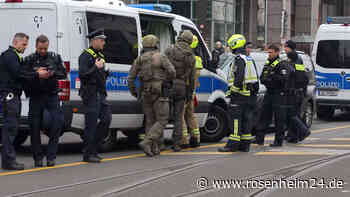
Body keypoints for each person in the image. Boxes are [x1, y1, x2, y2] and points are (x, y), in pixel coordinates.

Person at [0, 33, 50, 170]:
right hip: (9, 97)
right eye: (24, 44)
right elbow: (18, 74)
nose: (25, 47)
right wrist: (37, 74)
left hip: (12, 96)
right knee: (10, 129)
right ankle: (8, 161)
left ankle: (8, 160)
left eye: (26, 44)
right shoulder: (10, 56)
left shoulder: (14, 55)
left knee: (11, 129)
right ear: (16, 42)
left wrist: (35, 72)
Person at [23, 35, 66, 167]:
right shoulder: (29, 59)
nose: (43, 51)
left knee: (57, 124)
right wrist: (37, 73)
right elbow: (23, 75)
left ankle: (51, 156)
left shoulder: (54, 57)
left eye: (45, 48)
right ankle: (38, 158)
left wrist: (52, 73)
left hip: (52, 95)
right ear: (36, 46)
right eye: (40, 48)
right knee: (34, 127)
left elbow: (63, 73)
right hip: (36, 96)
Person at [128, 34, 175, 157]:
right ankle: (147, 142)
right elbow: (172, 72)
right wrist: (166, 81)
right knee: (162, 120)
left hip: (145, 92)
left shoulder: (140, 59)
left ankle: (153, 148)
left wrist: (134, 92)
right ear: (155, 44)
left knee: (150, 121)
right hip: (160, 92)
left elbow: (131, 78)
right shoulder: (161, 56)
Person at [218, 34, 259, 152]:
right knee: (247, 120)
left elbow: (239, 78)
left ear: (235, 45)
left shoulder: (239, 60)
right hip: (249, 96)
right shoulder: (249, 59)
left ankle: (232, 145)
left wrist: (233, 92)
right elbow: (255, 79)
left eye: (230, 46)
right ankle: (245, 145)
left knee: (235, 120)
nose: (230, 48)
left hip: (239, 96)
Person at [79, 29, 112, 163]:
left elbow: (99, 75)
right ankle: (88, 154)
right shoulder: (86, 56)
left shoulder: (101, 55)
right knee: (91, 125)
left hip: (100, 94)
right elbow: (83, 74)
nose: (104, 42)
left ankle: (94, 149)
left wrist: (105, 74)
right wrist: (95, 68)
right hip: (90, 93)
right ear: (94, 41)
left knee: (106, 119)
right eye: (102, 40)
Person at [254, 44, 292, 147]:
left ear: (277, 52)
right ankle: (259, 139)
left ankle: (278, 141)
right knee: (264, 116)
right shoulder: (267, 63)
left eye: (271, 52)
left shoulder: (282, 64)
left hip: (279, 94)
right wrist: (270, 78)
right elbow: (262, 78)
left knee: (279, 119)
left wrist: (271, 77)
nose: (269, 54)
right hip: (269, 93)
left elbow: (283, 79)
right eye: (268, 52)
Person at [165, 30, 196, 152]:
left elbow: (162, 67)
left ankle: (158, 143)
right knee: (178, 117)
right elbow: (192, 78)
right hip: (182, 87)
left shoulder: (170, 49)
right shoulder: (191, 56)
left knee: (162, 115)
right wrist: (189, 94)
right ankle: (176, 144)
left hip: (169, 85)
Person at [283, 40, 311, 143]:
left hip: (294, 92)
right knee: (294, 114)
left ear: (290, 48)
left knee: (292, 114)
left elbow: (297, 77)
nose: (284, 49)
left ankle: (303, 131)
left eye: (286, 47)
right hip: (297, 92)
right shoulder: (297, 59)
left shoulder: (294, 59)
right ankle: (293, 136)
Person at [182, 35, 203, 148]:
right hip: (192, 91)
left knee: (180, 114)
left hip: (185, 89)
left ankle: (184, 140)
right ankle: (196, 138)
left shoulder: (185, 57)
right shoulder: (198, 59)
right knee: (190, 114)